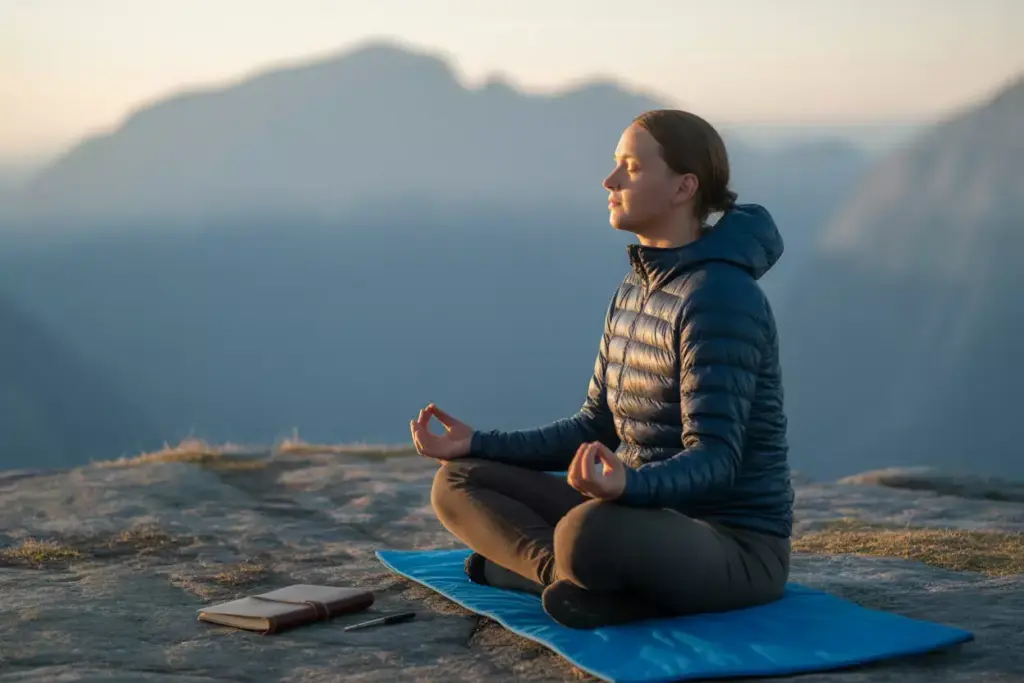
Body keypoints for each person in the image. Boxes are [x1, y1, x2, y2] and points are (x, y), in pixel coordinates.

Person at [410, 109, 794, 630]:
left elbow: (716, 458)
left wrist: (628, 487)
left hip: (730, 543)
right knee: (457, 481)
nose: (609, 181)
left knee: (586, 531)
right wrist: (476, 443)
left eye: (630, 168)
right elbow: (593, 425)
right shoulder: (635, 290)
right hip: (636, 513)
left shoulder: (722, 297)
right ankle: (567, 580)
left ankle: (553, 572)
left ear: (683, 187)